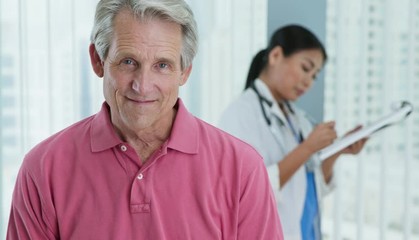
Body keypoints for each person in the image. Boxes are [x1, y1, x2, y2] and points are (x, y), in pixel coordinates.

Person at [6, 0, 284, 239]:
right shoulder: (42, 170)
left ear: (184, 72)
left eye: (162, 65)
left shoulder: (243, 170)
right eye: (128, 61)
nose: (143, 85)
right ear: (97, 60)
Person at [218, 25, 368, 240]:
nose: (309, 81)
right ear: (276, 55)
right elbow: (249, 192)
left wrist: (337, 151)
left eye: (315, 76)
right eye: (306, 68)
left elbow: (311, 185)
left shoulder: (297, 118)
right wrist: (307, 148)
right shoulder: (241, 114)